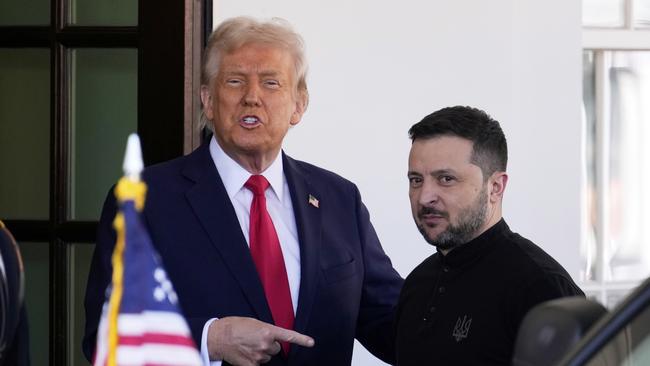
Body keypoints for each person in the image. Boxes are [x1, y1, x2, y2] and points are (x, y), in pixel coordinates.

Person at [83, 16, 403, 366]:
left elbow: (393, 323)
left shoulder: (339, 199)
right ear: (208, 100)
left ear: (299, 105)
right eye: (235, 82)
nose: (252, 97)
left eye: (271, 83)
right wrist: (211, 340)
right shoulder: (147, 200)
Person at [394, 106, 584, 366]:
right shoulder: (417, 284)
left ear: (495, 187)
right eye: (416, 180)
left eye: (446, 179)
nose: (425, 196)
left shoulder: (541, 288)